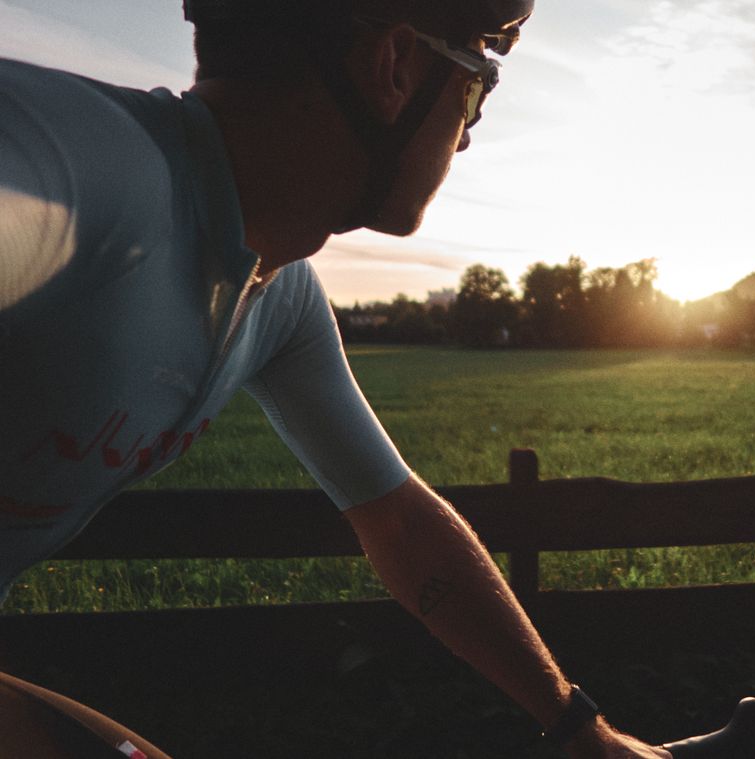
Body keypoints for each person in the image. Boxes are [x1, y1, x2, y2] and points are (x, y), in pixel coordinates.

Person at [0, 0, 677, 755]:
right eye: (475, 82)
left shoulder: (277, 297)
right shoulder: (87, 175)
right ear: (394, 66)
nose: (471, 126)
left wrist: (581, 730)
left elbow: (401, 523)